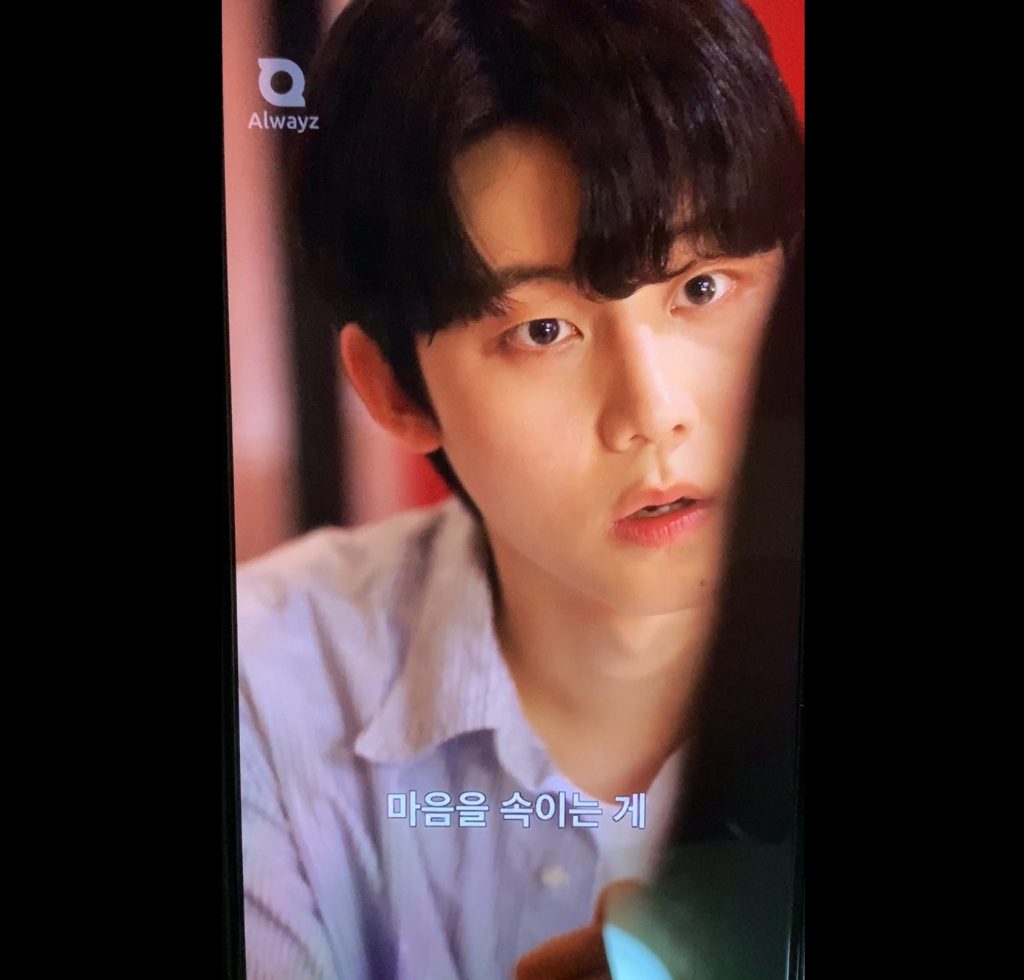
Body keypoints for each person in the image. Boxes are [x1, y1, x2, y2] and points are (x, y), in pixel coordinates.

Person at [235, 1, 804, 977]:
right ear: (395, 388)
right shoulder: (266, 691)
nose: (653, 413)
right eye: (542, 331)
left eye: (702, 288)